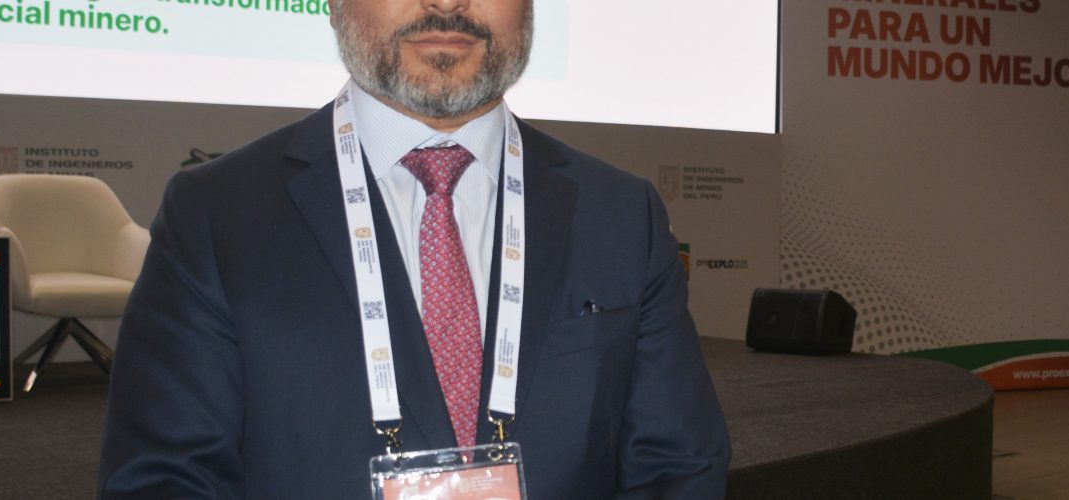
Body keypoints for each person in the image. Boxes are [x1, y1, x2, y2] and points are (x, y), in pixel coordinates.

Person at [95, 0, 731, 498]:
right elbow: (166, 477)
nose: (447, 4)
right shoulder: (216, 213)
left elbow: (677, 463)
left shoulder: (621, 214)